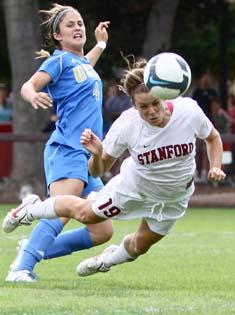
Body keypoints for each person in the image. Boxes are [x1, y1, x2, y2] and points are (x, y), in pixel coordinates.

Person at [3, 57, 226, 277]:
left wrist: (216, 166)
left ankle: (106, 260)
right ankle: (31, 209)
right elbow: (96, 171)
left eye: (155, 103)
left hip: (175, 197)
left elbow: (213, 138)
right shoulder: (127, 124)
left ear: (164, 95)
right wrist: (99, 154)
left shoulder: (189, 111)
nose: (151, 112)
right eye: (143, 107)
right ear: (134, 105)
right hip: (134, 188)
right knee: (87, 214)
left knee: (139, 247)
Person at [4, 3, 113, 282]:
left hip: (88, 153)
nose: (78, 27)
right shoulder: (59, 60)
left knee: (101, 231)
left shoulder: (81, 63)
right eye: (70, 25)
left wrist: (100, 44)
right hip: (67, 147)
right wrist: (32, 96)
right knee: (63, 211)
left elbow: (85, 67)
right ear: (57, 36)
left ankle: (31, 248)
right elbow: (29, 85)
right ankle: (20, 269)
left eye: (80, 23)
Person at [192, 72, 218, 183]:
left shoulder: (212, 92)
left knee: (208, 150)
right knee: (197, 150)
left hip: (208, 124)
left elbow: (214, 108)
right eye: (204, 77)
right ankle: (197, 173)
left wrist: (214, 122)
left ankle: (207, 173)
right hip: (197, 124)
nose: (206, 79)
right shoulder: (197, 92)